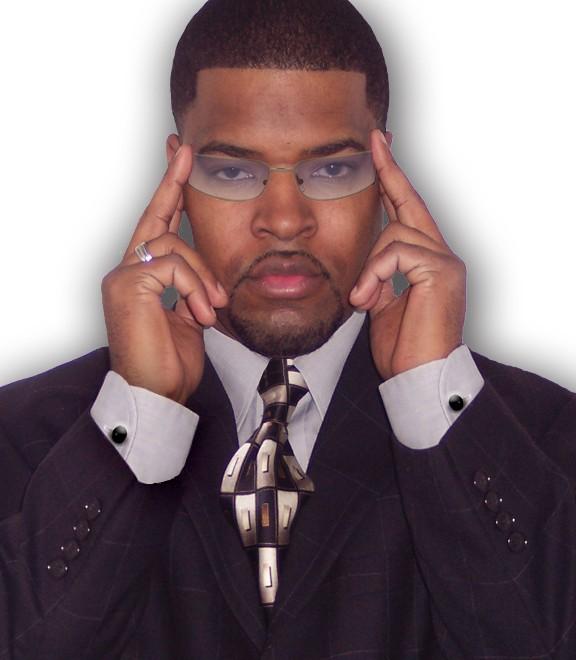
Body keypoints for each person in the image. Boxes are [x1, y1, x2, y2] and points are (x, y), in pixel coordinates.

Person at [1, 0, 575, 657]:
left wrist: (431, 395)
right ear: (177, 175)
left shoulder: (544, 436)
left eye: (331, 169)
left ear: (384, 172)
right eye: (232, 171)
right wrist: (140, 413)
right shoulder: (22, 438)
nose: (283, 219)